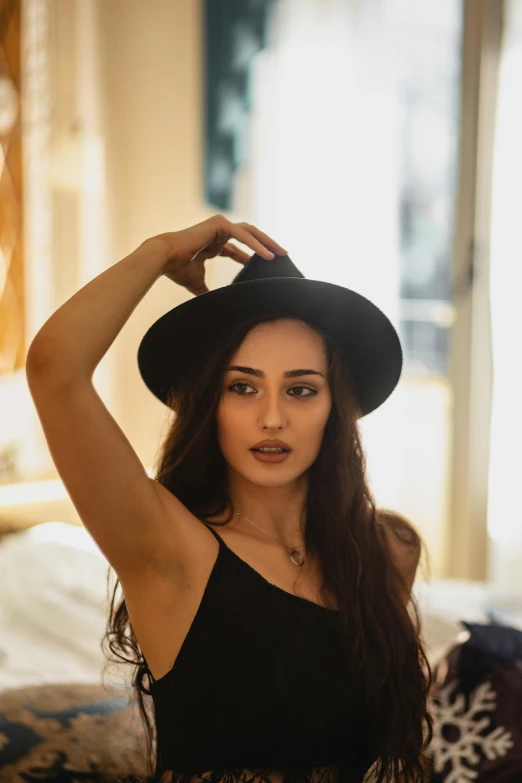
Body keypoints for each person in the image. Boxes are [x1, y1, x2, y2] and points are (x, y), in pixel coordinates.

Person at [26, 215, 434, 783]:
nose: (272, 417)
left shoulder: (386, 548)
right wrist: (161, 250)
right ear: (209, 405)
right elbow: (55, 367)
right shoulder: (168, 550)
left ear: (334, 409)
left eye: (300, 389)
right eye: (241, 387)